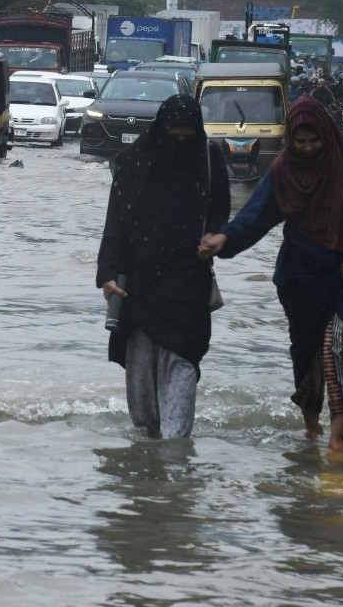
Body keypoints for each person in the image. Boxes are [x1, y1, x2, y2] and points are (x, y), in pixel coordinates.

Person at [198, 96, 343, 450]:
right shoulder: (283, 170)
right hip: (302, 277)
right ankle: (312, 429)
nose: (307, 148)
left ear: (326, 135)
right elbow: (256, 216)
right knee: (308, 356)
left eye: (313, 141)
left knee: (341, 349)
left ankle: (338, 437)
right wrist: (224, 238)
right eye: (300, 142)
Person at [96, 94, 231, 440]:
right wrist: (107, 275)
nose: (181, 144)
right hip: (139, 286)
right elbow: (116, 223)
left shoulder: (208, 159)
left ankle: (177, 453)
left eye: (188, 137)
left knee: (182, 366)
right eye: (174, 136)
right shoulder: (133, 163)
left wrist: (215, 236)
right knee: (142, 388)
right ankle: (147, 461)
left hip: (188, 282)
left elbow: (220, 212)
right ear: (161, 132)